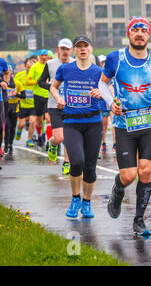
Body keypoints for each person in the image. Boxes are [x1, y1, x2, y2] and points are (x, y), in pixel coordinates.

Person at [99, 16, 151, 236]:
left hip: (150, 122)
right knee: (129, 175)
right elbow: (103, 84)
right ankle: (118, 188)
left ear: (148, 35)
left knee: (146, 171)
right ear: (128, 33)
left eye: (144, 30)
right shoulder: (116, 58)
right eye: (135, 29)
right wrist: (111, 103)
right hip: (124, 124)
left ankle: (139, 219)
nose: (139, 33)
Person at [50, 35, 104, 219]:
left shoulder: (98, 71)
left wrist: (101, 92)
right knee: (77, 162)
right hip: (72, 122)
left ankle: (87, 203)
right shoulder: (65, 69)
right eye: (78, 46)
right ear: (74, 50)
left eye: (85, 46)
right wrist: (59, 98)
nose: (82, 49)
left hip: (93, 123)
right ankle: (75, 198)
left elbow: (110, 90)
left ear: (91, 49)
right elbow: (54, 87)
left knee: (90, 166)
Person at [38, 38, 74, 175]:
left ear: (71, 51)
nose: (65, 52)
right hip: (54, 105)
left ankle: (66, 163)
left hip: (71, 105)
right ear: (58, 50)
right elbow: (40, 82)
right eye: (62, 49)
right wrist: (53, 87)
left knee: (69, 136)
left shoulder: (75, 63)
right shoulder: (51, 64)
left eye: (67, 49)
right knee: (59, 138)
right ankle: (52, 144)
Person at [27, 49, 51, 148]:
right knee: (39, 119)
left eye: (46, 55)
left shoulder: (50, 65)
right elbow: (28, 81)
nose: (44, 57)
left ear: (48, 56)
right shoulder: (34, 67)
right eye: (42, 55)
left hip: (48, 94)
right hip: (38, 95)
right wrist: (38, 81)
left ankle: (49, 141)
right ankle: (40, 134)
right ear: (39, 57)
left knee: (48, 118)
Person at [14, 56, 38, 147]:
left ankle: (29, 139)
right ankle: (19, 129)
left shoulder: (36, 76)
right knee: (22, 124)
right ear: (25, 66)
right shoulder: (20, 75)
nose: (30, 68)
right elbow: (16, 86)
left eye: (32, 67)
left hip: (33, 104)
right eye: (28, 66)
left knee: (32, 121)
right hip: (22, 104)